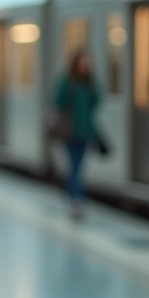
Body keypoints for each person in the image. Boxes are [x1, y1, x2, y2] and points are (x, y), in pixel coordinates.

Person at [53, 49, 100, 220]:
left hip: (85, 132)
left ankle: (70, 193)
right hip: (69, 132)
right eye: (83, 61)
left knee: (78, 167)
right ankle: (76, 200)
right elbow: (57, 101)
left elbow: (97, 100)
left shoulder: (91, 82)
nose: (86, 64)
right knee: (75, 167)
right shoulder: (67, 81)